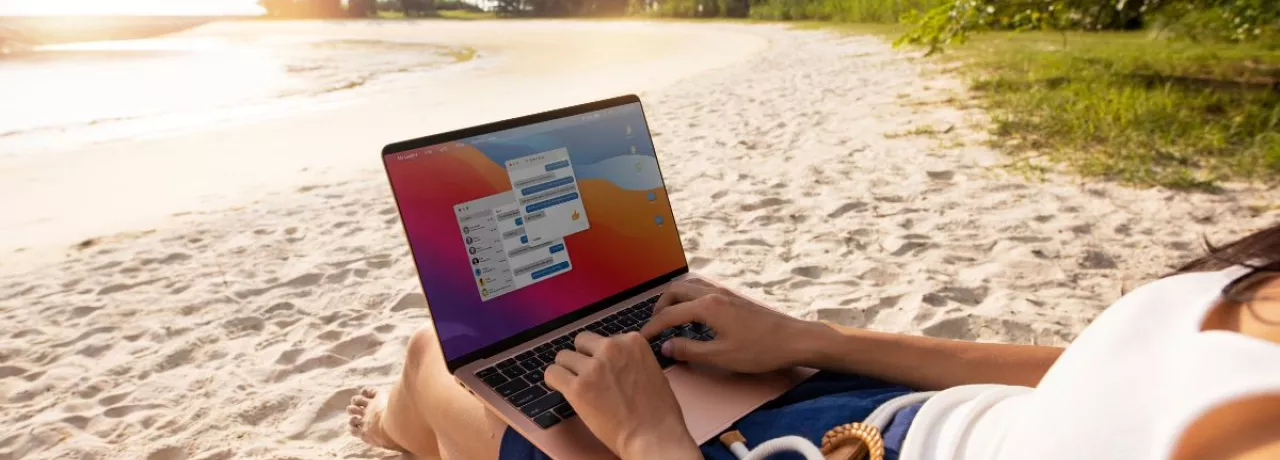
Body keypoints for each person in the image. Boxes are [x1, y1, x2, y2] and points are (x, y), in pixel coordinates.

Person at [348, 224, 1280, 460]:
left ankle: (405, 431)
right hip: (895, 412)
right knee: (654, 333)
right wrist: (817, 339)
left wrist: (649, 442)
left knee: (442, 364)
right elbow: (1098, 376)